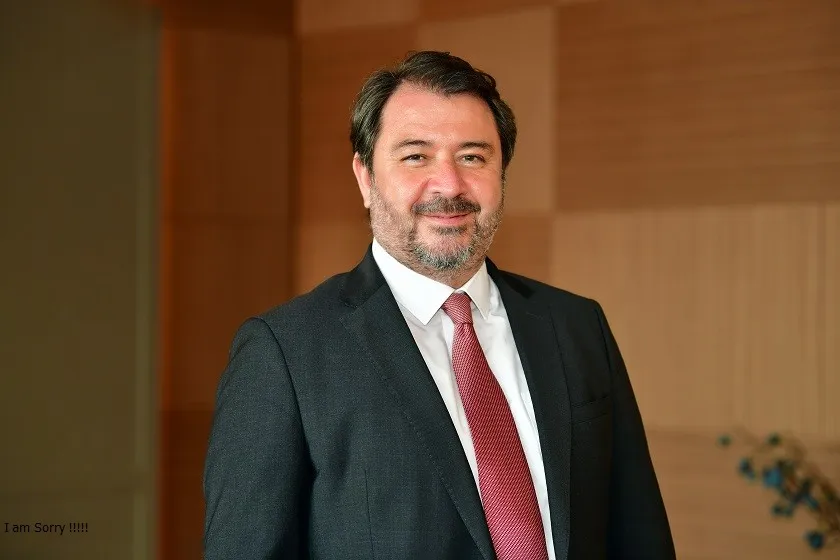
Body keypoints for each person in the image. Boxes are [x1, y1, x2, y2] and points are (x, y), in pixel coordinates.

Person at [203, 50, 676, 560]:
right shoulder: (284, 353)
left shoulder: (577, 326)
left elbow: (640, 537)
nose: (450, 185)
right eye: (416, 156)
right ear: (365, 177)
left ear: (502, 173)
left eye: (473, 157)